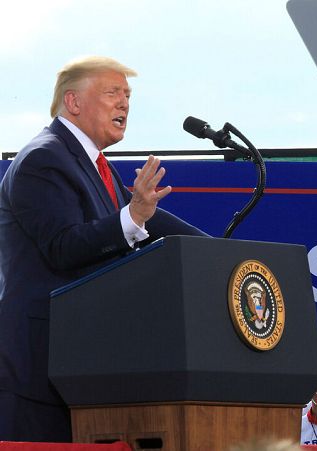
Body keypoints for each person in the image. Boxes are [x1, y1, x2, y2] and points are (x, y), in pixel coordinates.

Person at [0, 56, 207, 441]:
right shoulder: (43, 159)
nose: (125, 103)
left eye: (127, 95)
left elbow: (152, 223)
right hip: (39, 374)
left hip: (84, 369)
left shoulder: (97, 166)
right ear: (74, 102)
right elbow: (64, 247)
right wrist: (133, 216)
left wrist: (217, 255)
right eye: (113, 92)